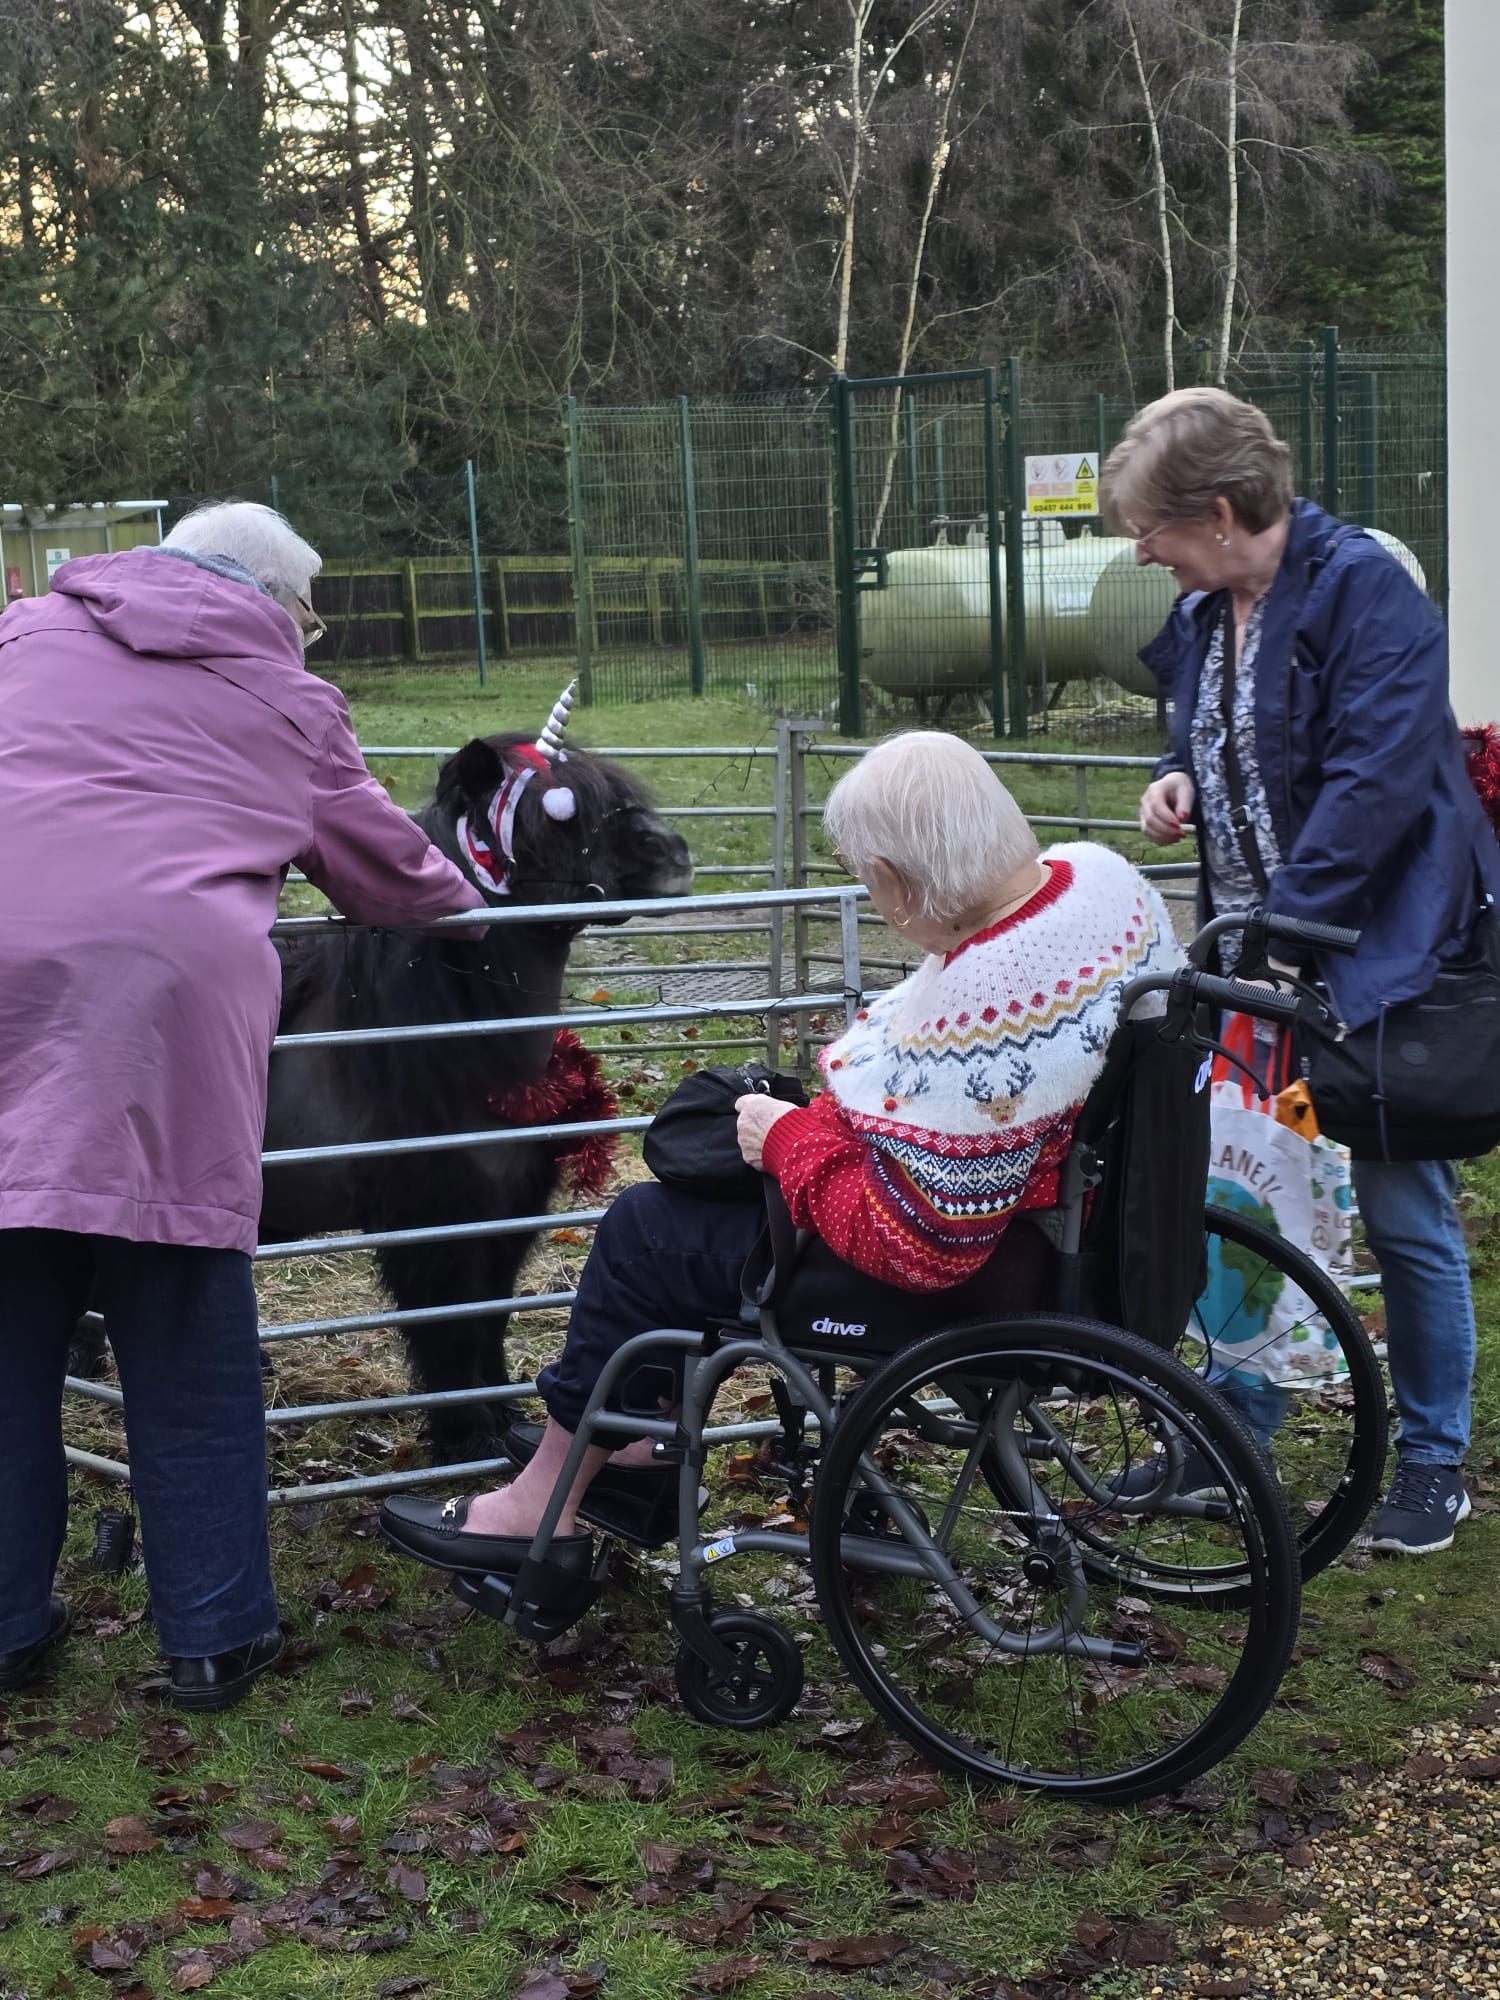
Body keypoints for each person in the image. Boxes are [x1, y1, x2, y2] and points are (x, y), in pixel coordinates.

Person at [381, 730, 1182, 1578]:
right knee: (694, 1212)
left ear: (898, 881)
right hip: (1078, 1228)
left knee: (646, 1234)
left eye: (869, 882)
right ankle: (635, 1452)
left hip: (989, 1278)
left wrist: (786, 1140)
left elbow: (919, 1244)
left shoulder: (990, 1006)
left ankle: (543, 1507)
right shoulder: (1099, 884)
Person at [0, 502, 486, 1707]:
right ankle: (214, 1633)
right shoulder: (285, 699)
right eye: (310, 616)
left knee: (8, 1334)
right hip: (162, 1025)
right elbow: (391, 876)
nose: (309, 636)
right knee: (185, 1331)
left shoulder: (22, 635)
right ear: (275, 602)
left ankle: (6, 1623)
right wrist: (476, 897)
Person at [1102, 385, 1500, 1556]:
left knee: (1401, 1207)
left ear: (1220, 513)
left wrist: (1287, 933)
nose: (1143, 551)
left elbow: (1378, 780)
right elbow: (1204, 724)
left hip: (1382, 960)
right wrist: (1174, 773)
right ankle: (1233, 1425)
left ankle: (1432, 1460)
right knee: (1240, 1184)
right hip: (1254, 954)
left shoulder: (1365, 591)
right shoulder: (1209, 603)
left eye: (1153, 529)